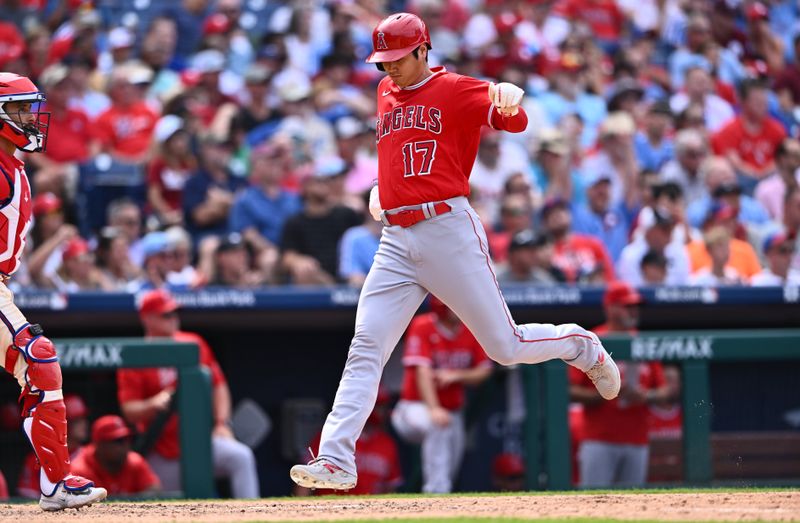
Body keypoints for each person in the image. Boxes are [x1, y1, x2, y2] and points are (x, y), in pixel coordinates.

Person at [289, 13, 620, 492]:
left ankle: (579, 345)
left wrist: (507, 96)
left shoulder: (456, 88)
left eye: (397, 59)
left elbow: (515, 117)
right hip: (396, 240)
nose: (389, 70)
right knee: (366, 346)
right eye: (382, 62)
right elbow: (405, 149)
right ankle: (338, 458)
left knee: (504, 348)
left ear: (423, 50)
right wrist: (385, 187)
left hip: (447, 228)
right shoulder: (385, 92)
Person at [0, 71, 106, 510]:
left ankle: (54, 484)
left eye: (29, 107)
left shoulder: (12, 162)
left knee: (38, 363)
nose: (30, 117)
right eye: (19, 109)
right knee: (37, 357)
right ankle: (57, 484)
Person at [118, 289, 259, 498]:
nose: (173, 319)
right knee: (165, 507)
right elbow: (129, 410)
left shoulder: (194, 343)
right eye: (166, 315)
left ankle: (253, 518)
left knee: (241, 456)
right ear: (147, 318)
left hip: (201, 443)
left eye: (175, 313)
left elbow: (218, 386)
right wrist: (153, 404)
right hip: (162, 451)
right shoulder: (134, 355)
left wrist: (222, 423)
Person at [569, 282, 669, 488]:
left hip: (637, 438)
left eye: (635, 306)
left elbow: (665, 389)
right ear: (610, 308)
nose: (633, 311)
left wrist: (647, 396)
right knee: (593, 503)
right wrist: (605, 393)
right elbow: (568, 389)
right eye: (627, 306)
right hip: (599, 438)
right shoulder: (593, 341)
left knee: (632, 507)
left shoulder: (643, 341)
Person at [391, 298, 493, 493]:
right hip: (414, 407)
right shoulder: (423, 325)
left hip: (451, 411)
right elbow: (422, 372)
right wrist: (434, 408)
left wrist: (457, 375)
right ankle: (435, 491)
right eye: (454, 306)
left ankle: (440, 498)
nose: (460, 310)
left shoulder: (470, 328)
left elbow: (484, 371)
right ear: (442, 307)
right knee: (437, 424)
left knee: (451, 460)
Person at [296, 389, 402, 496]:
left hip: (369, 509)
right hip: (331, 508)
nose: (382, 411)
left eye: (383, 407)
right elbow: (305, 480)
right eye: (379, 407)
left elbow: (390, 488)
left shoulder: (387, 444)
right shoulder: (331, 435)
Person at [17, 394, 90, 499]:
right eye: (77, 421)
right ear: (64, 423)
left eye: (83, 419)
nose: (84, 424)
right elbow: (27, 496)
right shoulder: (37, 457)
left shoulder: (89, 455)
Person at [69, 415, 161, 498]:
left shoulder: (134, 461)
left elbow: (154, 489)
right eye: (117, 441)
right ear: (100, 445)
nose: (124, 445)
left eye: (126, 439)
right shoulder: (80, 469)